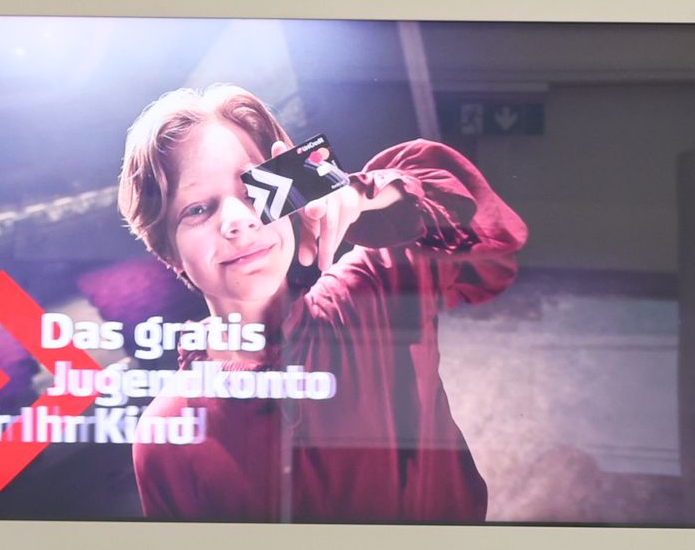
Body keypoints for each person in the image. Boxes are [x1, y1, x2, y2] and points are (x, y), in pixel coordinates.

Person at [111, 83, 524, 523]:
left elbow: (492, 240)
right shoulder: (165, 433)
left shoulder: (373, 287)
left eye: (256, 187)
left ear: (296, 192)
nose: (237, 220)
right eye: (196, 210)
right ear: (170, 253)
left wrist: (362, 193)